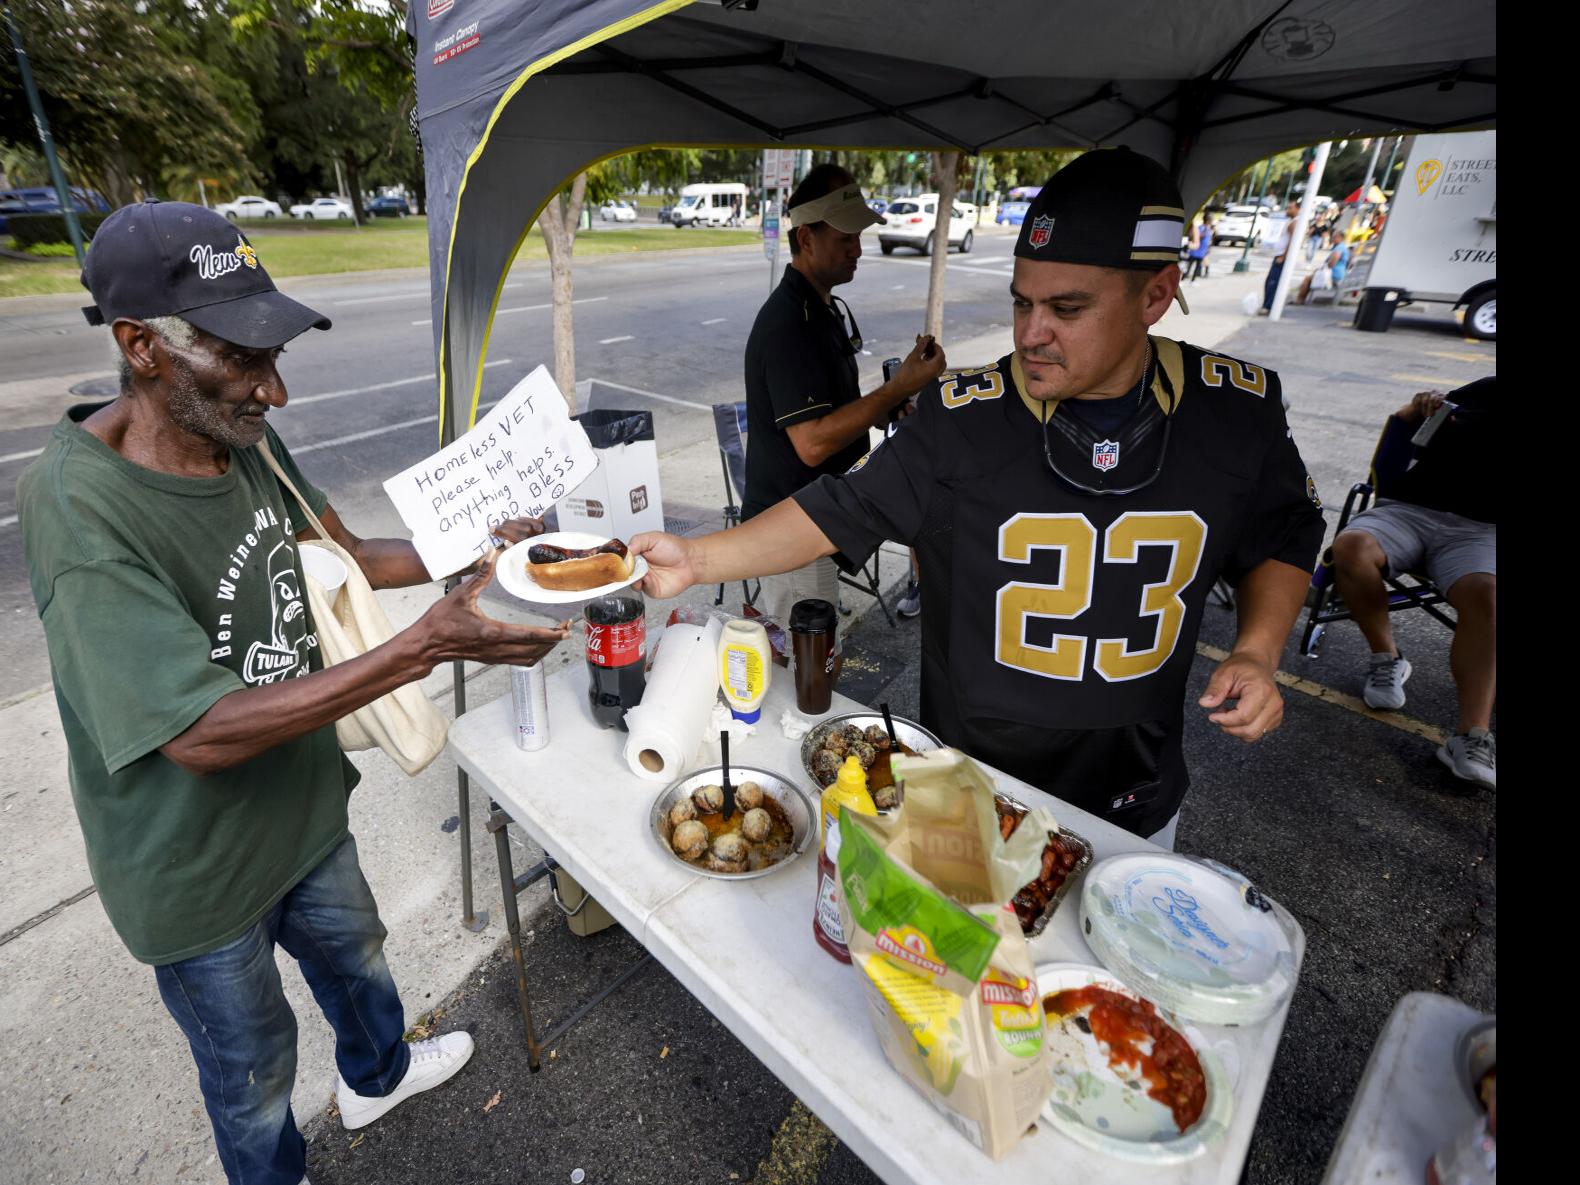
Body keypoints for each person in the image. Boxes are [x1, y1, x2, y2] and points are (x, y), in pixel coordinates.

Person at [17, 200, 570, 1185]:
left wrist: (488, 549)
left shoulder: (241, 433)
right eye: (243, 358)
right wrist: (419, 653)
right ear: (143, 346)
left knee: (356, 962)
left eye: (274, 355)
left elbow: (348, 556)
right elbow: (194, 732)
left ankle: (377, 1075)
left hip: (301, 808)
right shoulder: (81, 508)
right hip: (195, 866)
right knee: (252, 1069)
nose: (273, 388)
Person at [634, 148, 1325, 845]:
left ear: (1154, 295)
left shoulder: (1235, 411)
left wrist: (1259, 649)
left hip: (1134, 796)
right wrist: (695, 557)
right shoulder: (962, 419)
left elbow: (1284, 531)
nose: (1031, 333)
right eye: (1021, 303)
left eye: (1067, 307)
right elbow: (836, 508)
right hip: (973, 791)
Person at [741, 163, 946, 638]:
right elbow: (811, 444)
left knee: (814, 657)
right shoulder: (788, 323)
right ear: (806, 238)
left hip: (819, 519)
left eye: (859, 237)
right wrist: (895, 389)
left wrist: (886, 404)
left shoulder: (823, 308)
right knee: (805, 666)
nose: (858, 249)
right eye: (844, 239)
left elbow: (834, 412)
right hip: (791, 530)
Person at [1330, 379, 1497, 790]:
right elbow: (1411, 426)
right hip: (1408, 510)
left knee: (1489, 597)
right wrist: (1418, 406)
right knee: (1351, 547)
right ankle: (1387, 658)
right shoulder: (1487, 389)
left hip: (1480, 531)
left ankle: (1470, 737)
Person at [1261, 198, 1304, 313]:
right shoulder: (1293, 221)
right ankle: (1268, 305)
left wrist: (1283, 257)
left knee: (1273, 282)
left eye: (1290, 208)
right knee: (1270, 281)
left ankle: (1268, 306)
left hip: (1281, 257)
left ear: (1298, 209)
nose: (1287, 210)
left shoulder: (1295, 222)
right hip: (1280, 255)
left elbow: (1292, 241)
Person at [1293, 235, 1352, 304]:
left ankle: (1299, 300)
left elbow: (1333, 261)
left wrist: (1323, 269)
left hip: (1333, 275)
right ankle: (1300, 296)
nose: (1332, 238)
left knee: (1307, 279)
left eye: (1334, 237)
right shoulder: (1344, 247)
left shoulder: (1339, 248)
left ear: (1340, 238)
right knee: (1311, 277)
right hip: (1340, 274)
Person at [1185, 214, 1213, 282]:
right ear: (1207, 220)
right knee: (1188, 265)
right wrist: (1205, 231)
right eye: (1211, 219)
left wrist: (1208, 249)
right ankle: (1184, 277)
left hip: (1202, 251)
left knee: (1198, 266)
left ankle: (1193, 280)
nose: (1211, 221)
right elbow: (1197, 237)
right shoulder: (1201, 228)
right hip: (1195, 251)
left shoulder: (1209, 229)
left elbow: (1209, 240)